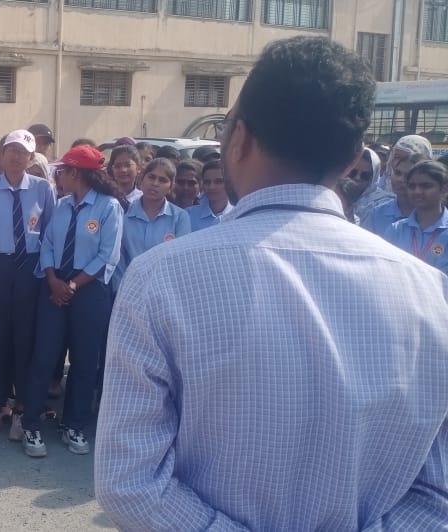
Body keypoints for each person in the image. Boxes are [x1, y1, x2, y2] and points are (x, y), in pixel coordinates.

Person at [95, 36, 448, 530]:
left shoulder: (161, 279)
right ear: (353, 157)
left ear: (238, 138)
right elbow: (434, 496)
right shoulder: (431, 294)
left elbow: (130, 483)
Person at [21, 145, 123, 458]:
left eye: (63, 171)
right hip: (55, 287)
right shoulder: (62, 205)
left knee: (84, 360)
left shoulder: (108, 207)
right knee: (44, 356)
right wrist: (53, 280)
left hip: (89, 291)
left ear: (76, 173)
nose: (59, 177)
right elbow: (48, 244)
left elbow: (107, 255)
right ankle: (31, 424)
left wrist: (74, 285)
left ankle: (74, 424)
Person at [0, 129, 55, 440]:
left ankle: (20, 409)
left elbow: (50, 233)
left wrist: (46, 271)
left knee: (25, 340)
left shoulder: (43, 189)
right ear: (2, 155)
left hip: (30, 268)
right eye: (11, 150)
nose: (17, 156)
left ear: (31, 157)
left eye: (23, 152)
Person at [113, 158, 191, 292]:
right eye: (151, 177)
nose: (155, 184)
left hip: (164, 289)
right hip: (127, 288)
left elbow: (180, 259)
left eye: (162, 180)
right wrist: (122, 290)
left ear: (171, 186)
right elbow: (118, 258)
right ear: (141, 179)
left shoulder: (180, 217)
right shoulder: (123, 213)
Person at [382, 161, 448, 275]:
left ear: (444, 189)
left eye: (426, 186)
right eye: (412, 186)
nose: (417, 192)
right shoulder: (396, 230)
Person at [363, 151, 428, 235]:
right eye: (397, 173)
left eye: (408, 176)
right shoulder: (377, 214)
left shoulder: (432, 215)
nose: (400, 179)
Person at [186, 159, 233, 231]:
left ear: (230, 182)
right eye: (207, 182)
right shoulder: (188, 215)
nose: (212, 187)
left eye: (219, 181)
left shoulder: (239, 214)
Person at [337, 147, 380, 221]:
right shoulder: (332, 193)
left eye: (365, 175)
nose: (357, 178)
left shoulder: (379, 204)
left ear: (374, 178)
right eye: (353, 172)